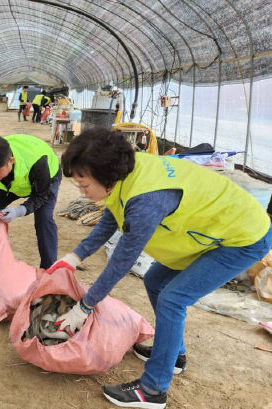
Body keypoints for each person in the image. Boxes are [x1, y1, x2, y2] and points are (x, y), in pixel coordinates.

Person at [48, 129, 272, 408]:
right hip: (218, 225)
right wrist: (75, 256)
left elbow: (122, 260)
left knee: (173, 298)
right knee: (155, 280)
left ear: (107, 178)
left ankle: (153, 390)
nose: (81, 192)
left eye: (84, 186)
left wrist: (85, 306)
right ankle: (174, 355)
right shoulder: (126, 174)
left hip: (242, 237)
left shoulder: (146, 200)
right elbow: (112, 215)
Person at [0, 134, 61, 269]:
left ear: (10, 161)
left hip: (44, 181)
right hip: (9, 185)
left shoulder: (38, 161)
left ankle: (49, 269)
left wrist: (19, 211)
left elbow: (40, 196)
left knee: (44, 218)